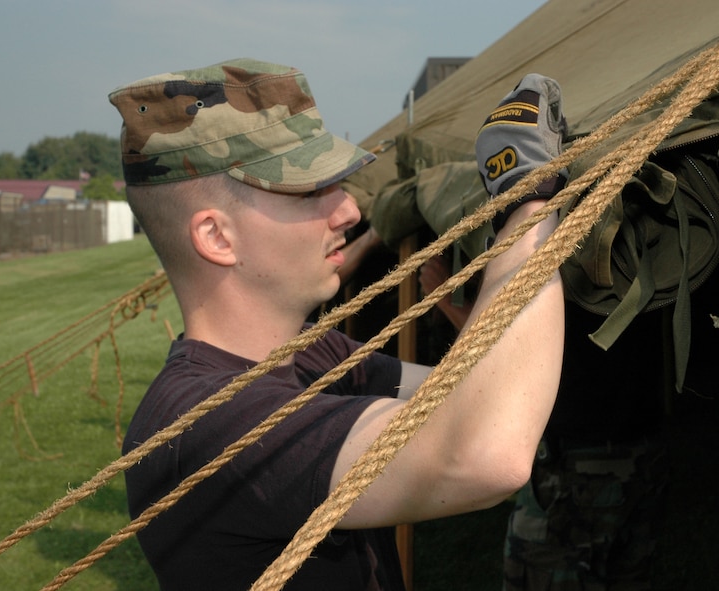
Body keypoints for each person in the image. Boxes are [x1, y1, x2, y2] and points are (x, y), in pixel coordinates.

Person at [110, 58, 566, 590]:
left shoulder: (307, 354)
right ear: (216, 237)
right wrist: (528, 202)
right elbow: (483, 455)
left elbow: (473, 393)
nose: (349, 211)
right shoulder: (200, 425)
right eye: (309, 191)